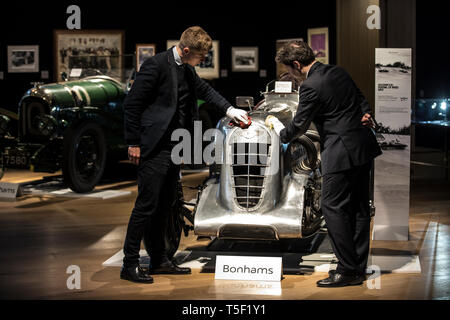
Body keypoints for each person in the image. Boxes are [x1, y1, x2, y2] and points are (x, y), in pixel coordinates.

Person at [121, 26, 249, 283]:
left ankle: (159, 260)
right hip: (155, 146)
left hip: (175, 146)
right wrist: (133, 142)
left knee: (167, 205)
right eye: (201, 57)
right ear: (187, 50)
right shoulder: (156, 65)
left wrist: (230, 110)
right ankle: (130, 263)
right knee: (146, 206)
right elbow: (132, 105)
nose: (203, 61)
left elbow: (206, 92)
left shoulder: (186, 69)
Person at [266, 41, 382, 287]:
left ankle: (348, 270)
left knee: (332, 208)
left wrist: (277, 128)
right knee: (359, 207)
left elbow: (297, 127)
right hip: (362, 146)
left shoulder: (310, 86)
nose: (289, 74)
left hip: (341, 152)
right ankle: (357, 266)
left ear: (297, 64)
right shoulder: (338, 71)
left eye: (289, 69)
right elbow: (361, 98)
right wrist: (366, 113)